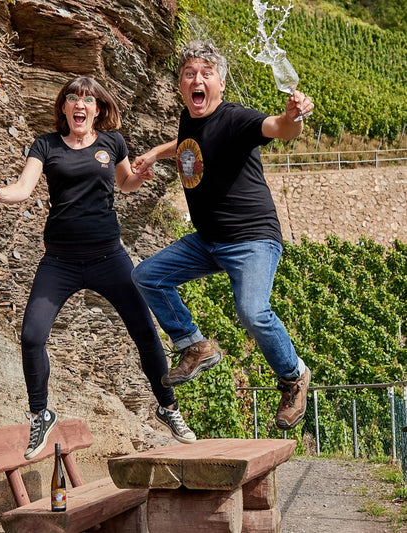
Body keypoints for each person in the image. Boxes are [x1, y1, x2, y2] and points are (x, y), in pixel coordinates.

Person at [0, 77, 196, 459]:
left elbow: (125, 181)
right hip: (59, 262)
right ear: (64, 108)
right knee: (32, 336)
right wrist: (0, 194)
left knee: (146, 333)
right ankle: (39, 415)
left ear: (98, 109)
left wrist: (138, 179)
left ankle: (168, 407)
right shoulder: (46, 145)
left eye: (88, 99)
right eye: (73, 99)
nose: (80, 104)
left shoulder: (112, 142)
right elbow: (23, 188)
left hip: (108, 258)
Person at [131, 41, 314, 431]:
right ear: (180, 84)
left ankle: (294, 376)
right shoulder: (188, 118)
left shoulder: (235, 119)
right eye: (190, 74)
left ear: (222, 83)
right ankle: (195, 346)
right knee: (147, 276)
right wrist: (154, 154)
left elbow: (278, 128)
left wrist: (293, 117)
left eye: (206, 73)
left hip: (251, 239)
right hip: (208, 241)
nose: (197, 80)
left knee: (252, 311)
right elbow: (188, 146)